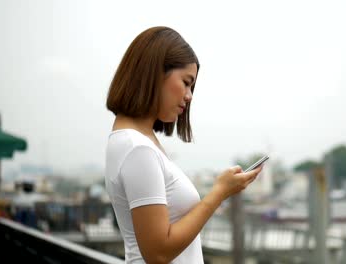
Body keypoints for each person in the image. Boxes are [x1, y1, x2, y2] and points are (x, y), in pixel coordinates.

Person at [105, 26, 263, 264]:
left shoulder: (134, 141)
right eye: (186, 83)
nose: (189, 96)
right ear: (155, 73)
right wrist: (219, 192)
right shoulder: (138, 149)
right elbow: (158, 252)